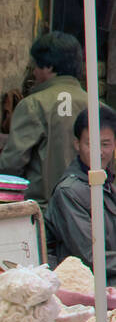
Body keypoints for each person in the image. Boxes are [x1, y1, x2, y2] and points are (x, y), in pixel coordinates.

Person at [0, 32, 91, 210]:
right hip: (90, 210)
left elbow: (11, 164)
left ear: (48, 67)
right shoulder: (98, 108)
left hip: (45, 212)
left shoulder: (33, 105)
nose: (33, 71)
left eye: (35, 65)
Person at [44, 106, 116, 278]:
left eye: (105, 144)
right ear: (77, 144)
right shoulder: (69, 192)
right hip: (85, 282)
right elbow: (90, 256)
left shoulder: (107, 182)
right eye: (90, 144)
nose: (99, 152)